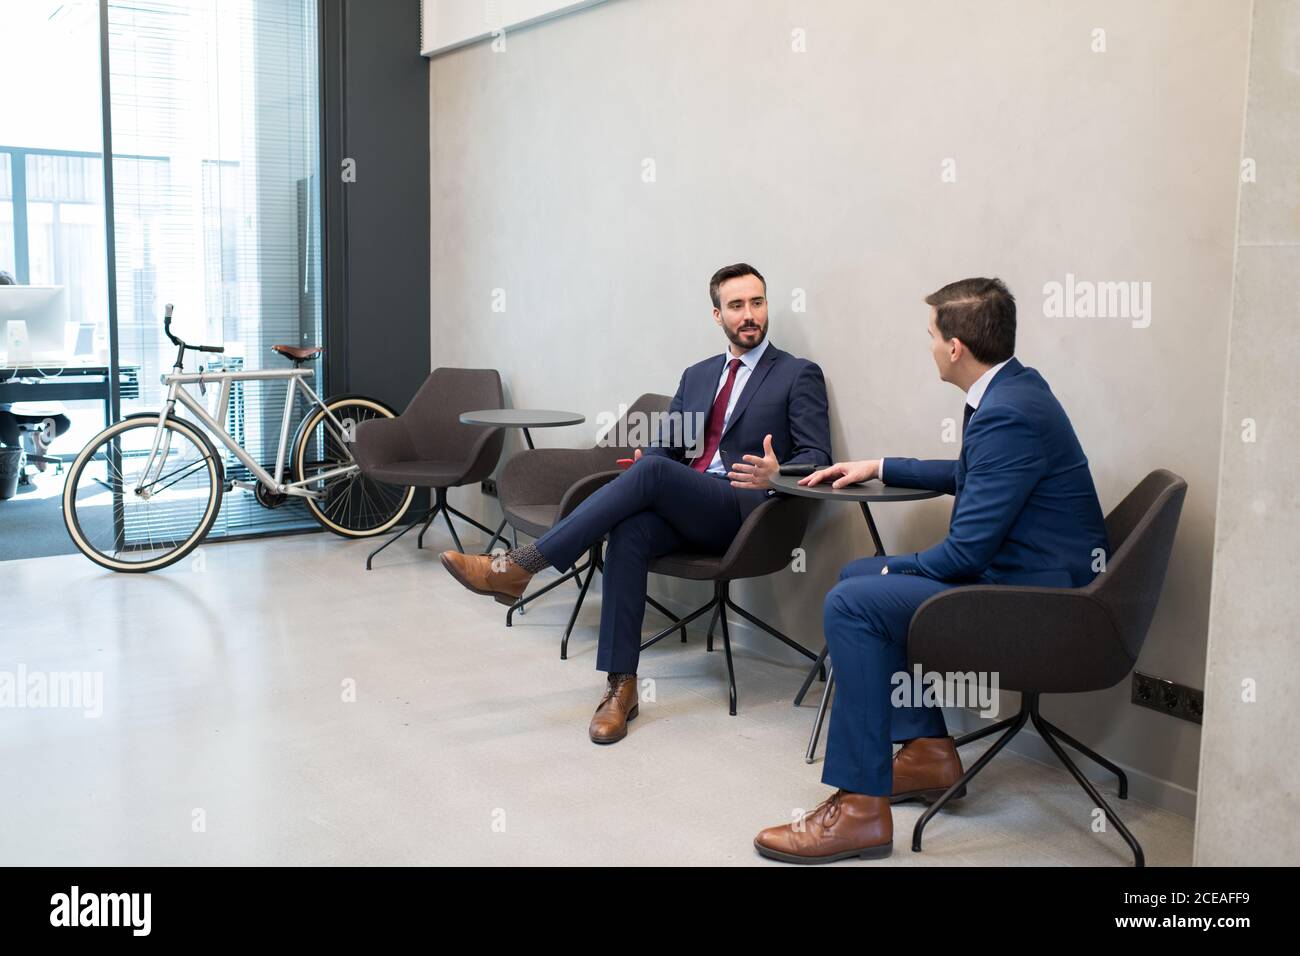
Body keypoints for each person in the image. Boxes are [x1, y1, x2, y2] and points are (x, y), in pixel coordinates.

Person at [753, 277, 1108, 863]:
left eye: (930, 334)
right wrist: (880, 465)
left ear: (954, 348)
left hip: (1046, 606)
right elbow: (976, 472)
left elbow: (963, 557)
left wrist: (890, 571)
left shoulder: (1008, 413)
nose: (928, 345)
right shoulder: (1016, 389)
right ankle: (928, 752)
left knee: (855, 597)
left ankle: (862, 812)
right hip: (1042, 580)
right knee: (858, 581)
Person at [440, 263, 831, 744]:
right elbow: (670, 448)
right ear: (717, 315)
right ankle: (620, 686)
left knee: (650, 474)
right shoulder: (699, 374)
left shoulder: (797, 374)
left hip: (747, 513)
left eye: (757, 302)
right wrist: (653, 459)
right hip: (692, 506)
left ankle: (523, 564)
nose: (749, 315)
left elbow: (819, 457)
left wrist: (778, 474)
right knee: (630, 531)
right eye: (737, 306)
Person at [0, 270, 71, 468]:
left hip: (25, 396)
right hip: (3, 406)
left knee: (61, 422)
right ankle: (15, 463)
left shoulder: (26, 320)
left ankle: (43, 443)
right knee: (9, 433)